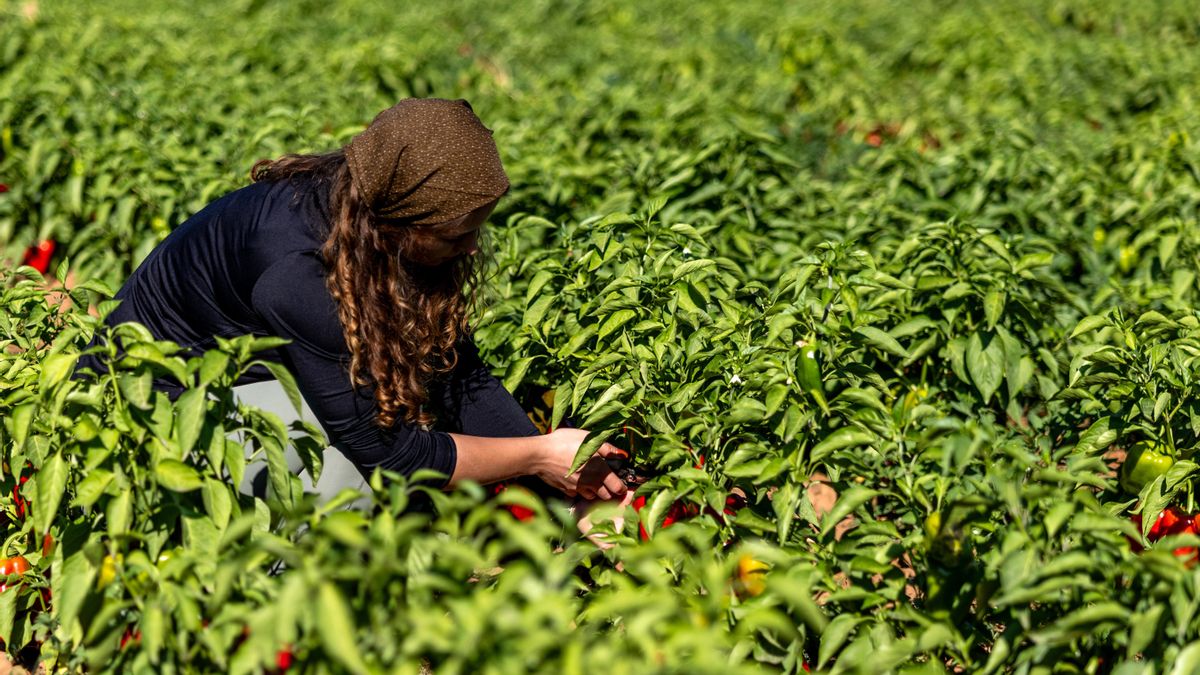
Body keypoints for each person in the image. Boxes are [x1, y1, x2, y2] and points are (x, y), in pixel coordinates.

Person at [76, 98, 629, 505]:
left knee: (425, 463)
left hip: (247, 380)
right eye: (457, 233)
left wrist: (568, 485)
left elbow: (458, 374)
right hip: (150, 407)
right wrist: (537, 456)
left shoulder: (362, 214)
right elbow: (393, 458)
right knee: (357, 496)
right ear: (399, 223)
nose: (471, 247)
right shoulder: (298, 273)